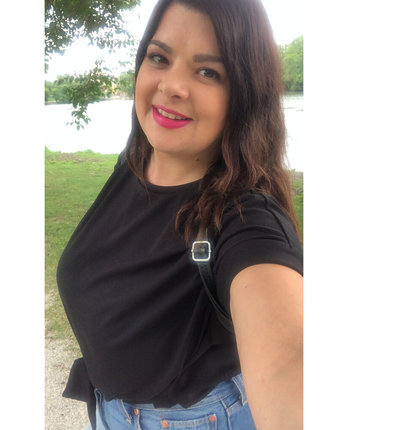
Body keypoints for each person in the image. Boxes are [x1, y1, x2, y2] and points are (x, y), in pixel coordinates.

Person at [56, 0, 303, 429]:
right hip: (109, 410)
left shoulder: (248, 220)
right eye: (159, 58)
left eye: (207, 71)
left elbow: (287, 369)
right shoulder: (135, 162)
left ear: (245, 95)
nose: (172, 86)